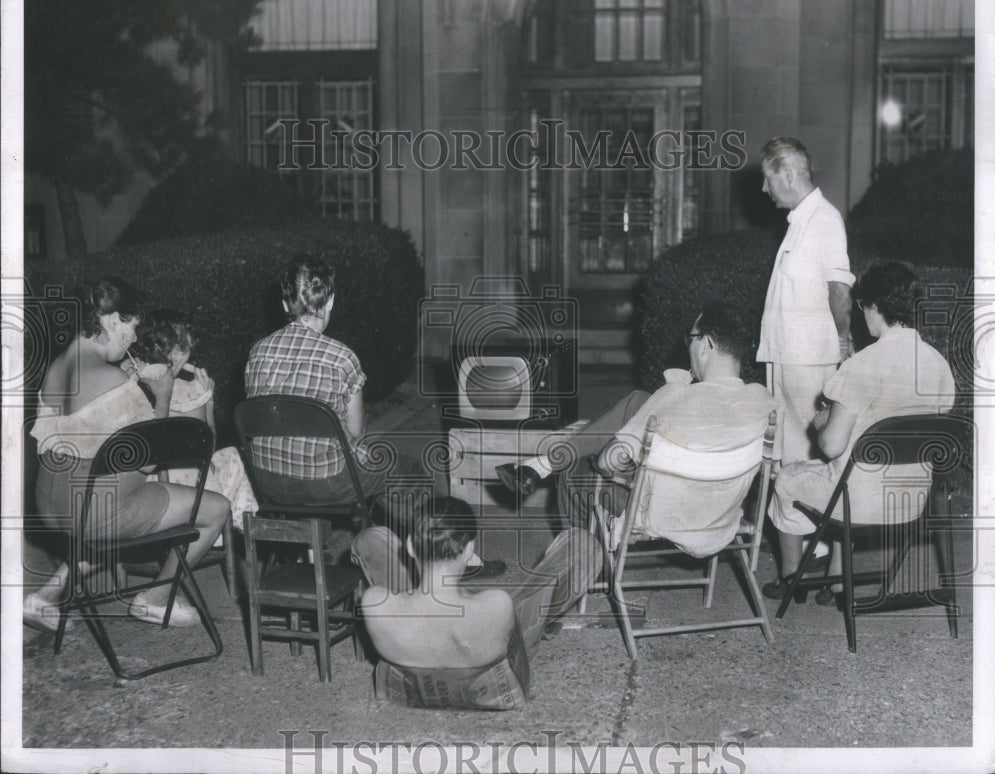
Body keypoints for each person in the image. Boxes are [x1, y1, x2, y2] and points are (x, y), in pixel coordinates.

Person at [245, 255, 502, 576]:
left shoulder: (257, 352)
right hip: (326, 482)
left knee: (365, 466)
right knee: (405, 471)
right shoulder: (341, 357)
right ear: (331, 301)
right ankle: (446, 555)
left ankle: (330, 552)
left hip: (270, 482)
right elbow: (356, 431)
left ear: (285, 305)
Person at [24, 277, 230, 631]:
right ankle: (157, 597)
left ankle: (44, 597)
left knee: (102, 508)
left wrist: (130, 383)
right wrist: (162, 394)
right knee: (217, 509)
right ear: (113, 319)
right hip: (93, 515)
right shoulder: (116, 382)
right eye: (132, 326)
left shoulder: (56, 369)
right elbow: (150, 459)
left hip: (50, 507)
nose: (134, 338)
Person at [496, 303, 778, 558]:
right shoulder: (766, 404)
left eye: (690, 339)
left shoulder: (673, 398)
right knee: (638, 402)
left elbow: (609, 463)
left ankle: (577, 560)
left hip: (658, 516)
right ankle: (544, 464)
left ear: (705, 345)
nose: (688, 347)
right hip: (720, 518)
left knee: (573, 472)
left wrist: (611, 449)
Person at [765, 262, 956, 602]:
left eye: (863, 307)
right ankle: (836, 582)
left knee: (786, 478)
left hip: (860, 502)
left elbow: (831, 445)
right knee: (845, 478)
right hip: (913, 502)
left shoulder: (862, 365)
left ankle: (790, 578)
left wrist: (822, 419)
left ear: (873, 306)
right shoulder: (937, 364)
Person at [353, 496, 601, 699]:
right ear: (471, 551)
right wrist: (462, 596)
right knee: (584, 544)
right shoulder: (496, 604)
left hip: (408, 646)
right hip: (479, 652)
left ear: (408, 546)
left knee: (370, 538)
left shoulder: (373, 602)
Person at [758, 137, 854, 465]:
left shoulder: (825, 220)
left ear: (787, 174)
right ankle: (786, 517)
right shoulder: (799, 222)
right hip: (786, 357)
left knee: (806, 456)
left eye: (768, 178)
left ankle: (808, 516)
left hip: (809, 361)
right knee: (786, 451)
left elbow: (839, 289)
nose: (763, 188)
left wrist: (842, 339)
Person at [126, 308, 258, 531]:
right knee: (235, 456)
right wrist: (209, 401)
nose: (182, 356)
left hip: (143, 489)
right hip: (192, 494)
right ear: (176, 351)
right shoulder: (194, 391)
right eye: (182, 349)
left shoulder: (131, 383)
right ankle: (245, 534)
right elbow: (208, 446)